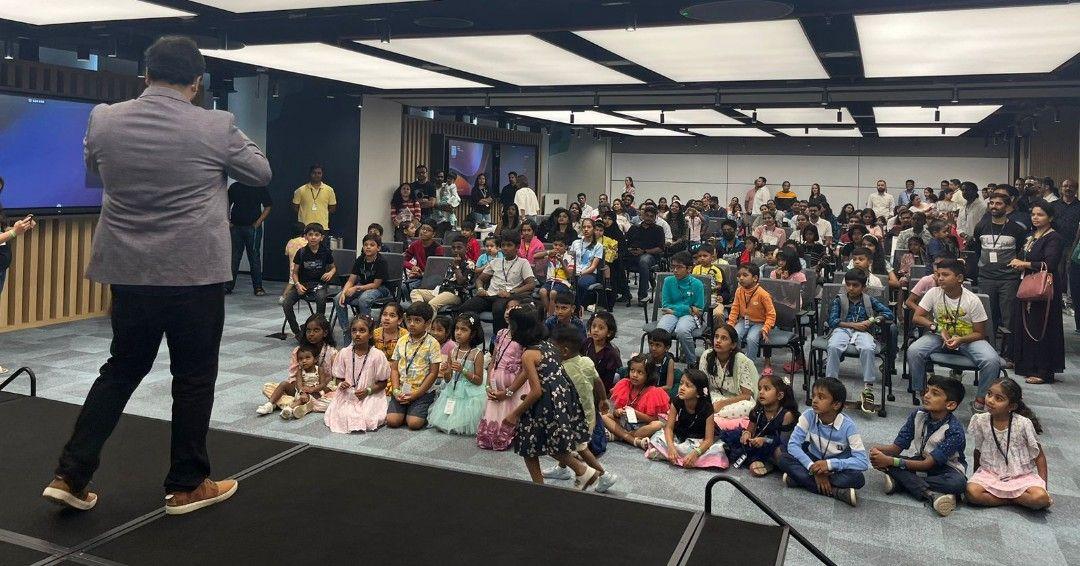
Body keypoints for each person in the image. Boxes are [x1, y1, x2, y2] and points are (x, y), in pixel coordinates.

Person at [44, 35, 273, 514]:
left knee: (121, 368)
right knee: (192, 377)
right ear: (197, 82)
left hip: (129, 271)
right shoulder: (216, 124)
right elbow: (261, 172)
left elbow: (95, 170)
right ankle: (187, 484)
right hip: (194, 276)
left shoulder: (104, 118)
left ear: (144, 75)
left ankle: (70, 472)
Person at [503, 305, 599, 487]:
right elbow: (533, 373)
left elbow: (536, 390)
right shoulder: (548, 345)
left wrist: (515, 413)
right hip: (561, 399)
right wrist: (509, 391)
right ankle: (580, 472)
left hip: (545, 403)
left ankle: (581, 470)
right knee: (543, 444)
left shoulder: (528, 354)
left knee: (532, 444)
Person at [908, 259, 1001, 412]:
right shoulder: (933, 292)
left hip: (968, 339)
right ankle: (923, 393)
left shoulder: (972, 300)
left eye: (945, 275)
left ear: (959, 278)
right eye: (938, 275)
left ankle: (979, 401)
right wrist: (936, 327)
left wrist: (961, 339)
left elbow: (980, 333)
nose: (940, 278)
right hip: (939, 336)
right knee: (914, 351)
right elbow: (917, 317)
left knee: (991, 360)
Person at [868, 376, 967, 517]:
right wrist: (877, 451)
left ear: (950, 405)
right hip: (920, 461)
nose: (926, 396)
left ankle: (903, 483)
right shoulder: (917, 415)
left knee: (959, 484)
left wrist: (890, 462)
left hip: (947, 470)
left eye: (935, 393)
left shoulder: (954, 430)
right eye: (927, 391)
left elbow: (928, 464)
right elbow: (896, 448)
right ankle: (934, 494)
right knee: (886, 459)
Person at [542, 326, 619, 492]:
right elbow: (598, 381)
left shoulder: (561, 369)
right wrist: (604, 400)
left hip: (575, 419)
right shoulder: (587, 361)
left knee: (581, 448)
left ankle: (604, 475)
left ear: (564, 351)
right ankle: (562, 469)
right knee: (570, 445)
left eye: (553, 348)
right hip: (590, 415)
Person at [777, 377, 869, 507]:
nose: (814, 400)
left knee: (858, 479)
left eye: (821, 397)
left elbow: (862, 462)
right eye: (814, 395)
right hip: (812, 459)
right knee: (783, 458)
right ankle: (836, 492)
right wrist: (813, 469)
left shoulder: (849, 426)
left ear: (836, 404)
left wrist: (830, 465)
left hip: (835, 467)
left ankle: (799, 480)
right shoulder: (808, 415)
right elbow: (793, 445)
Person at [966, 378, 1052, 510]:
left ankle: (1002, 497)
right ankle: (1014, 500)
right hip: (990, 473)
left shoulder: (1023, 423)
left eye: (999, 398)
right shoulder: (980, 420)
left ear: (1011, 406)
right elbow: (978, 451)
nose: (990, 400)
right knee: (972, 493)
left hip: (1020, 475)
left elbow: (1039, 456)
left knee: (1040, 498)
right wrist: (975, 477)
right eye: (989, 394)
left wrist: (1044, 486)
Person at [1009, 199, 1064, 385]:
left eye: (1040, 214)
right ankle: (1026, 364)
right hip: (1027, 284)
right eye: (1033, 214)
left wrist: (1023, 264)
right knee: (1027, 325)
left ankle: (1043, 370)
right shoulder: (1032, 235)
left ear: (1050, 217)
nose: (1035, 218)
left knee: (1042, 327)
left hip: (1044, 288)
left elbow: (1050, 264)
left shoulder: (1053, 237)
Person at [826, 270, 895, 414]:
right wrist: (853, 325)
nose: (851, 288)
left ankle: (868, 388)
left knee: (868, 348)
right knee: (833, 346)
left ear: (863, 287)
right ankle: (830, 384)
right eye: (848, 285)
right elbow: (833, 321)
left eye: (855, 285)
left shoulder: (870, 300)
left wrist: (872, 321)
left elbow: (889, 314)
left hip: (864, 332)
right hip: (843, 329)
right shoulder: (839, 299)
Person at [971, 193, 1026, 344]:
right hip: (986, 278)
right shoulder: (981, 226)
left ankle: (1009, 353)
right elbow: (977, 249)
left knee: (1009, 318)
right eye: (992, 203)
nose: (994, 206)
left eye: (999, 203)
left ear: (1007, 207)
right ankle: (988, 349)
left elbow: (1021, 251)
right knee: (986, 317)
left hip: (1009, 279)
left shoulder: (1016, 229)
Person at [257, 314, 338, 416]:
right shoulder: (298, 351)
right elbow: (293, 377)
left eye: (316, 330)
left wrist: (315, 390)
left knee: (336, 400)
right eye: (308, 331)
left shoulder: (332, 353)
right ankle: (277, 404)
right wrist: (302, 391)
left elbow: (334, 380)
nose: (311, 334)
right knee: (267, 387)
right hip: (299, 390)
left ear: (325, 333)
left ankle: (289, 404)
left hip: (322, 392)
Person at [645, 369, 727, 469]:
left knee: (717, 451)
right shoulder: (677, 401)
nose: (682, 388)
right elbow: (669, 428)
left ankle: (669, 455)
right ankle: (676, 455)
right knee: (657, 436)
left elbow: (708, 440)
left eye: (688, 386)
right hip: (681, 435)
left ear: (698, 393)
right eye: (681, 383)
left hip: (698, 441)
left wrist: (696, 453)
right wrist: (671, 447)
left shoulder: (707, 408)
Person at [459, 233, 538, 334]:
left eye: (509, 245)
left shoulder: (523, 263)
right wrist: (480, 289)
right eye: (503, 245)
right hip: (489, 295)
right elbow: (480, 280)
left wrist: (512, 292)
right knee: (465, 308)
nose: (505, 248)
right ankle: (474, 338)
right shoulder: (495, 262)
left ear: (517, 247)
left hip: (506, 297)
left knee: (498, 310)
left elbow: (531, 284)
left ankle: (497, 341)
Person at [323, 315, 390, 433]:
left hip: (370, 393)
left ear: (370, 335)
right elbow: (339, 378)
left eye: (362, 330)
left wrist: (367, 391)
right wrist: (341, 384)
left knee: (368, 418)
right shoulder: (344, 353)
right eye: (354, 331)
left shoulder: (377, 355)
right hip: (347, 393)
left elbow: (383, 383)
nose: (357, 334)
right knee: (341, 415)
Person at [720, 373, 798, 476]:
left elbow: (784, 442)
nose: (761, 392)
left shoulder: (787, 415)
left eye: (766, 389)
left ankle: (769, 463)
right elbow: (750, 429)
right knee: (730, 441)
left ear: (780, 395)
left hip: (778, 444)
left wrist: (765, 440)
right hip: (758, 441)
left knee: (780, 453)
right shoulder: (757, 410)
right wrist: (746, 434)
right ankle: (764, 462)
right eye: (759, 388)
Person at [477, 298, 528, 450]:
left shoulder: (524, 338)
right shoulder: (501, 333)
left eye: (514, 308)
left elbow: (525, 370)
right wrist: (487, 383)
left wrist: (508, 391)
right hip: (495, 382)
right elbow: (494, 359)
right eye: (507, 308)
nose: (508, 312)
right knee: (487, 437)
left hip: (513, 386)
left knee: (504, 433)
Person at [428, 313, 487, 436]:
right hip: (453, 388)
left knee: (462, 425)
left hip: (469, 390)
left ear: (473, 333)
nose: (458, 333)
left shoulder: (477, 354)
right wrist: (446, 371)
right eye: (457, 329)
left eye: (464, 330)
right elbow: (449, 379)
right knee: (443, 423)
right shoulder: (453, 351)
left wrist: (463, 370)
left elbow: (478, 380)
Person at [386, 302, 442, 430]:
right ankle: (406, 409)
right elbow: (394, 368)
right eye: (409, 320)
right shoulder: (402, 340)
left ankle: (420, 408)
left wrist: (417, 394)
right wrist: (395, 390)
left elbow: (433, 373)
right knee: (392, 421)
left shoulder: (432, 344)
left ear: (427, 324)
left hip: (422, 391)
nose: (411, 324)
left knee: (414, 423)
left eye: (417, 320)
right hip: (402, 390)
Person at [601, 354, 671, 450]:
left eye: (640, 372)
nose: (634, 375)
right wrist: (617, 412)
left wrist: (636, 413)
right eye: (632, 370)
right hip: (624, 421)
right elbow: (615, 411)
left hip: (640, 426)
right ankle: (632, 439)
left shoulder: (653, 392)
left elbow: (652, 419)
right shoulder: (624, 384)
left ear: (648, 374)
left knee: (658, 425)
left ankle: (620, 436)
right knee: (604, 417)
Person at [281, 223, 336, 339]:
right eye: (310, 235)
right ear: (305, 236)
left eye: (316, 235)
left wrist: (330, 273)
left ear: (322, 237)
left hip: (319, 285)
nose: (313, 237)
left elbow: (333, 267)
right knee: (286, 303)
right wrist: (297, 285)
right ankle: (298, 332)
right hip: (303, 285)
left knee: (321, 299)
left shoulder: (326, 252)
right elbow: (295, 273)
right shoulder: (301, 252)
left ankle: (319, 330)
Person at [333, 234, 389, 341]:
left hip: (381, 288)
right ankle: (347, 331)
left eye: (372, 245)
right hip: (363, 286)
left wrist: (356, 288)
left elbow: (376, 284)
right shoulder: (360, 259)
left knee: (364, 299)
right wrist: (344, 292)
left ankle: (366, 331)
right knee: (338, 298)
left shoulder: (381, 262)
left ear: (378, 248)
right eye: (365, 245)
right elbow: (351, 280)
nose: (368, 247)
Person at [699, 324, 758, 420]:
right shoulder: (707, 356)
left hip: (736, 400)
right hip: (713, 396)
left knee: (750, 407)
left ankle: (711, 416)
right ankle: (715, 416)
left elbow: (747, 395)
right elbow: (702, 386)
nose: (718, 341)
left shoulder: (741, 360)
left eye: (724, 338)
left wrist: (723, 403)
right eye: (716, 337)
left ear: (733, 345)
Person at [657, 251, 706, 365]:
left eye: (679, 267)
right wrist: (687, 308)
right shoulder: (668, 281)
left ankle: (692, 361)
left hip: (689, 316)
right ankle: (660, 361)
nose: (675, 270)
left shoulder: (697, 284)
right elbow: (665, 305)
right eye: (673, 267)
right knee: (661, 331)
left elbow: (698, 309)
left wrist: (675, 310)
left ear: (689, 269)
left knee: (682, 330)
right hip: (672, 314)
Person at [225, 180, 271, 295]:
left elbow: (268, 206)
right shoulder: (234, 187)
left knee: (254, 257)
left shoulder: (259, 186)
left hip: (253, 228)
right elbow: (226, 204)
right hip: (236, 227)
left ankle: (258, 288)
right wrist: (228, 221)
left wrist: (258, 222)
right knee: (234, 258)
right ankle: (228, 286)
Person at [408, 235, 475, 314]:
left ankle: (425, 320)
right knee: (415, 292)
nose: (456, 250)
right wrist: (421, 275)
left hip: (456, 294)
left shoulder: (469, 264)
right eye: (453, 248)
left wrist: (456, 267)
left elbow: (461, 282)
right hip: (440, 291)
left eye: (459, 248)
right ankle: (420, 314)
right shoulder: (450, 261)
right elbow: (438, 276)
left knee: (431, 304)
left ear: (466, 249)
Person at [726, 263, 775, 366]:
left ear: (755, 278)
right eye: (739, 276)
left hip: (759, 323)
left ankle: (749, 364)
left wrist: (765, 328)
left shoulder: (763, 294)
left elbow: (771, 315)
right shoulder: (739, 291)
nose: (741, 278)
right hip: (745, 320)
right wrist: (730, 325)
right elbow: (735, 309)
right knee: (735, 335)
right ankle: (737, 359)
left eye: (745, 275)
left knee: (751, 339)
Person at [624, 205, 666, 306]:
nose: (649, 218)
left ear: (655, 217)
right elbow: (626, 242)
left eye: (652, 216)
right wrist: (630, 249)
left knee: (643, 261)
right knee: (617, 259)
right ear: (642, 216)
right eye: (647, 215)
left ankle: (642, 296)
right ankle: (623, 293)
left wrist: (644, 251)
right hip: (633, 254)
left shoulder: (658, 229)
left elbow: (660, 248)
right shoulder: (634, 228)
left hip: (650, 255)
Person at [402, 222, 444, 295]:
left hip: (431, 278)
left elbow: (438, 269)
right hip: (418, 276)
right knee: (403, 287)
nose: (424, 231)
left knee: (410, 287)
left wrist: (422, 274)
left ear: (433, 234)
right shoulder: (415, 245)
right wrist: (412, 267)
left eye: (428, 230)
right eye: (423, 229)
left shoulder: (438, 248)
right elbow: (403, 260)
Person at [584, 311, 622, 391]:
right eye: (593, 326)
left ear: (609, 333)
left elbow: (608, 381)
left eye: (601, 328)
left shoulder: (611, 353)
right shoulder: (586, 343)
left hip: (600, 388)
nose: (596, 330)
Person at [292, 164, 336, 231]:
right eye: (314, 173)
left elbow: (332, 208)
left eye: (319, 173)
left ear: (322, 174)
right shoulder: (300, 190)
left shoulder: (329, 190)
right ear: (310, 174)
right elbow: (295, 208)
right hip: (304, 227)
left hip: (322, 227)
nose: (316, 175)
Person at [539, 238, 573, 316]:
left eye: (560, 245)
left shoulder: (570, 258)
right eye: (555, 245)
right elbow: (535, 256)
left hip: (563, 282)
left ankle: (550, 316)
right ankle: (551, 314)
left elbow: (569, 275)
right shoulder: (550, 255)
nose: (557, 247)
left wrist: (561, 261)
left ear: (566, 247)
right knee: (542, 291)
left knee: (553, 293)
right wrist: (548, 252)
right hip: (550, 281)